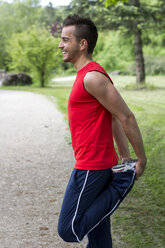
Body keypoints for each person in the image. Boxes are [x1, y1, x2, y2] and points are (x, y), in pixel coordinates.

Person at [57, 14, 147, 248]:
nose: (60, 45)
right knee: (99, 235)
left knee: (68, 229)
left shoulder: (92, 77)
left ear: (82, 44)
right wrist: (125, 156)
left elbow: (126, 116)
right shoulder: (84, 76)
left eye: (66, 40)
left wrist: (140, 160)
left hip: (91, 166)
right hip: (93, 162)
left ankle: (122, 183)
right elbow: (112, 119)